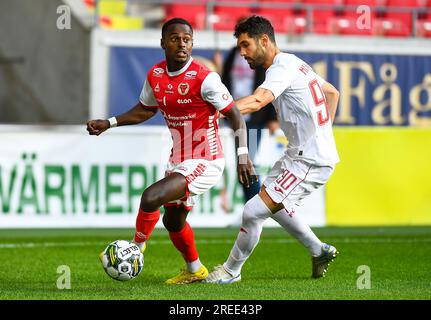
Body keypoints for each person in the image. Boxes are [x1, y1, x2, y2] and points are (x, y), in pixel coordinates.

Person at [87, 18, 255, 284]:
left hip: (206, 159)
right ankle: (195, 270)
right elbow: (145, 109)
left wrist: (243, 156)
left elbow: (235, 116)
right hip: (178, 158)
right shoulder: (155, 75)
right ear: (163, 43)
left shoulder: (205, 78)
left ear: (192, 43)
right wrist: (109, 123)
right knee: (173, 222)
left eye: (187, 39)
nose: (182, 44)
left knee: (151, 196)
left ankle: (135, 247)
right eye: (175, 38)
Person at [204, 15, 340, 283]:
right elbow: (333, 93)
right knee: (275, 204)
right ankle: (318, 250)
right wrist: (323, 134)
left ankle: (231, 271)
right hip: (300, 154)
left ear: (264, 40)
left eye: (246, 46)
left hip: (309, 159)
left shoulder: (280, 68)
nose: (242, 53)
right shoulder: (295, 63)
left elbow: (257, 101)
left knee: (253, 211)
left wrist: (216, 113)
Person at [218, 45, 279, 203]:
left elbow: (270, 88)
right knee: (243, 164)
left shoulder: (260, 55)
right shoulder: (232, 53)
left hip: (253, 119)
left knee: (245, 164)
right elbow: (225, 81)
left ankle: (256, 208)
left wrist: (272, 117)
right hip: (236, 118)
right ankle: (252, 208)